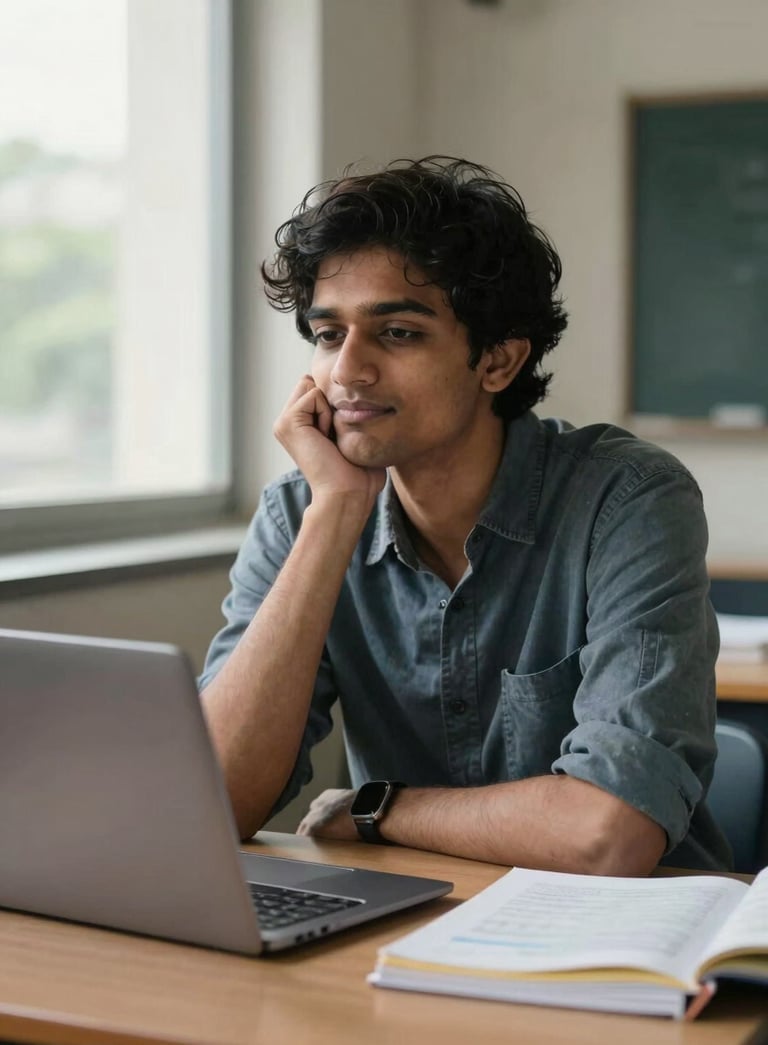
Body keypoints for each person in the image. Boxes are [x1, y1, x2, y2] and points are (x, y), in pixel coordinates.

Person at [200, 156, 729, 874]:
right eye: (329, 335)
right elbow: (210, 803)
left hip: (624, 943)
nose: (348, 371)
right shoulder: (302, 511)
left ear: (499, 361)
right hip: (403, 931)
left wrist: (377, 807)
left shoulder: (626, 497)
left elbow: (610, 831)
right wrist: (337, 510)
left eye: (398, 334)